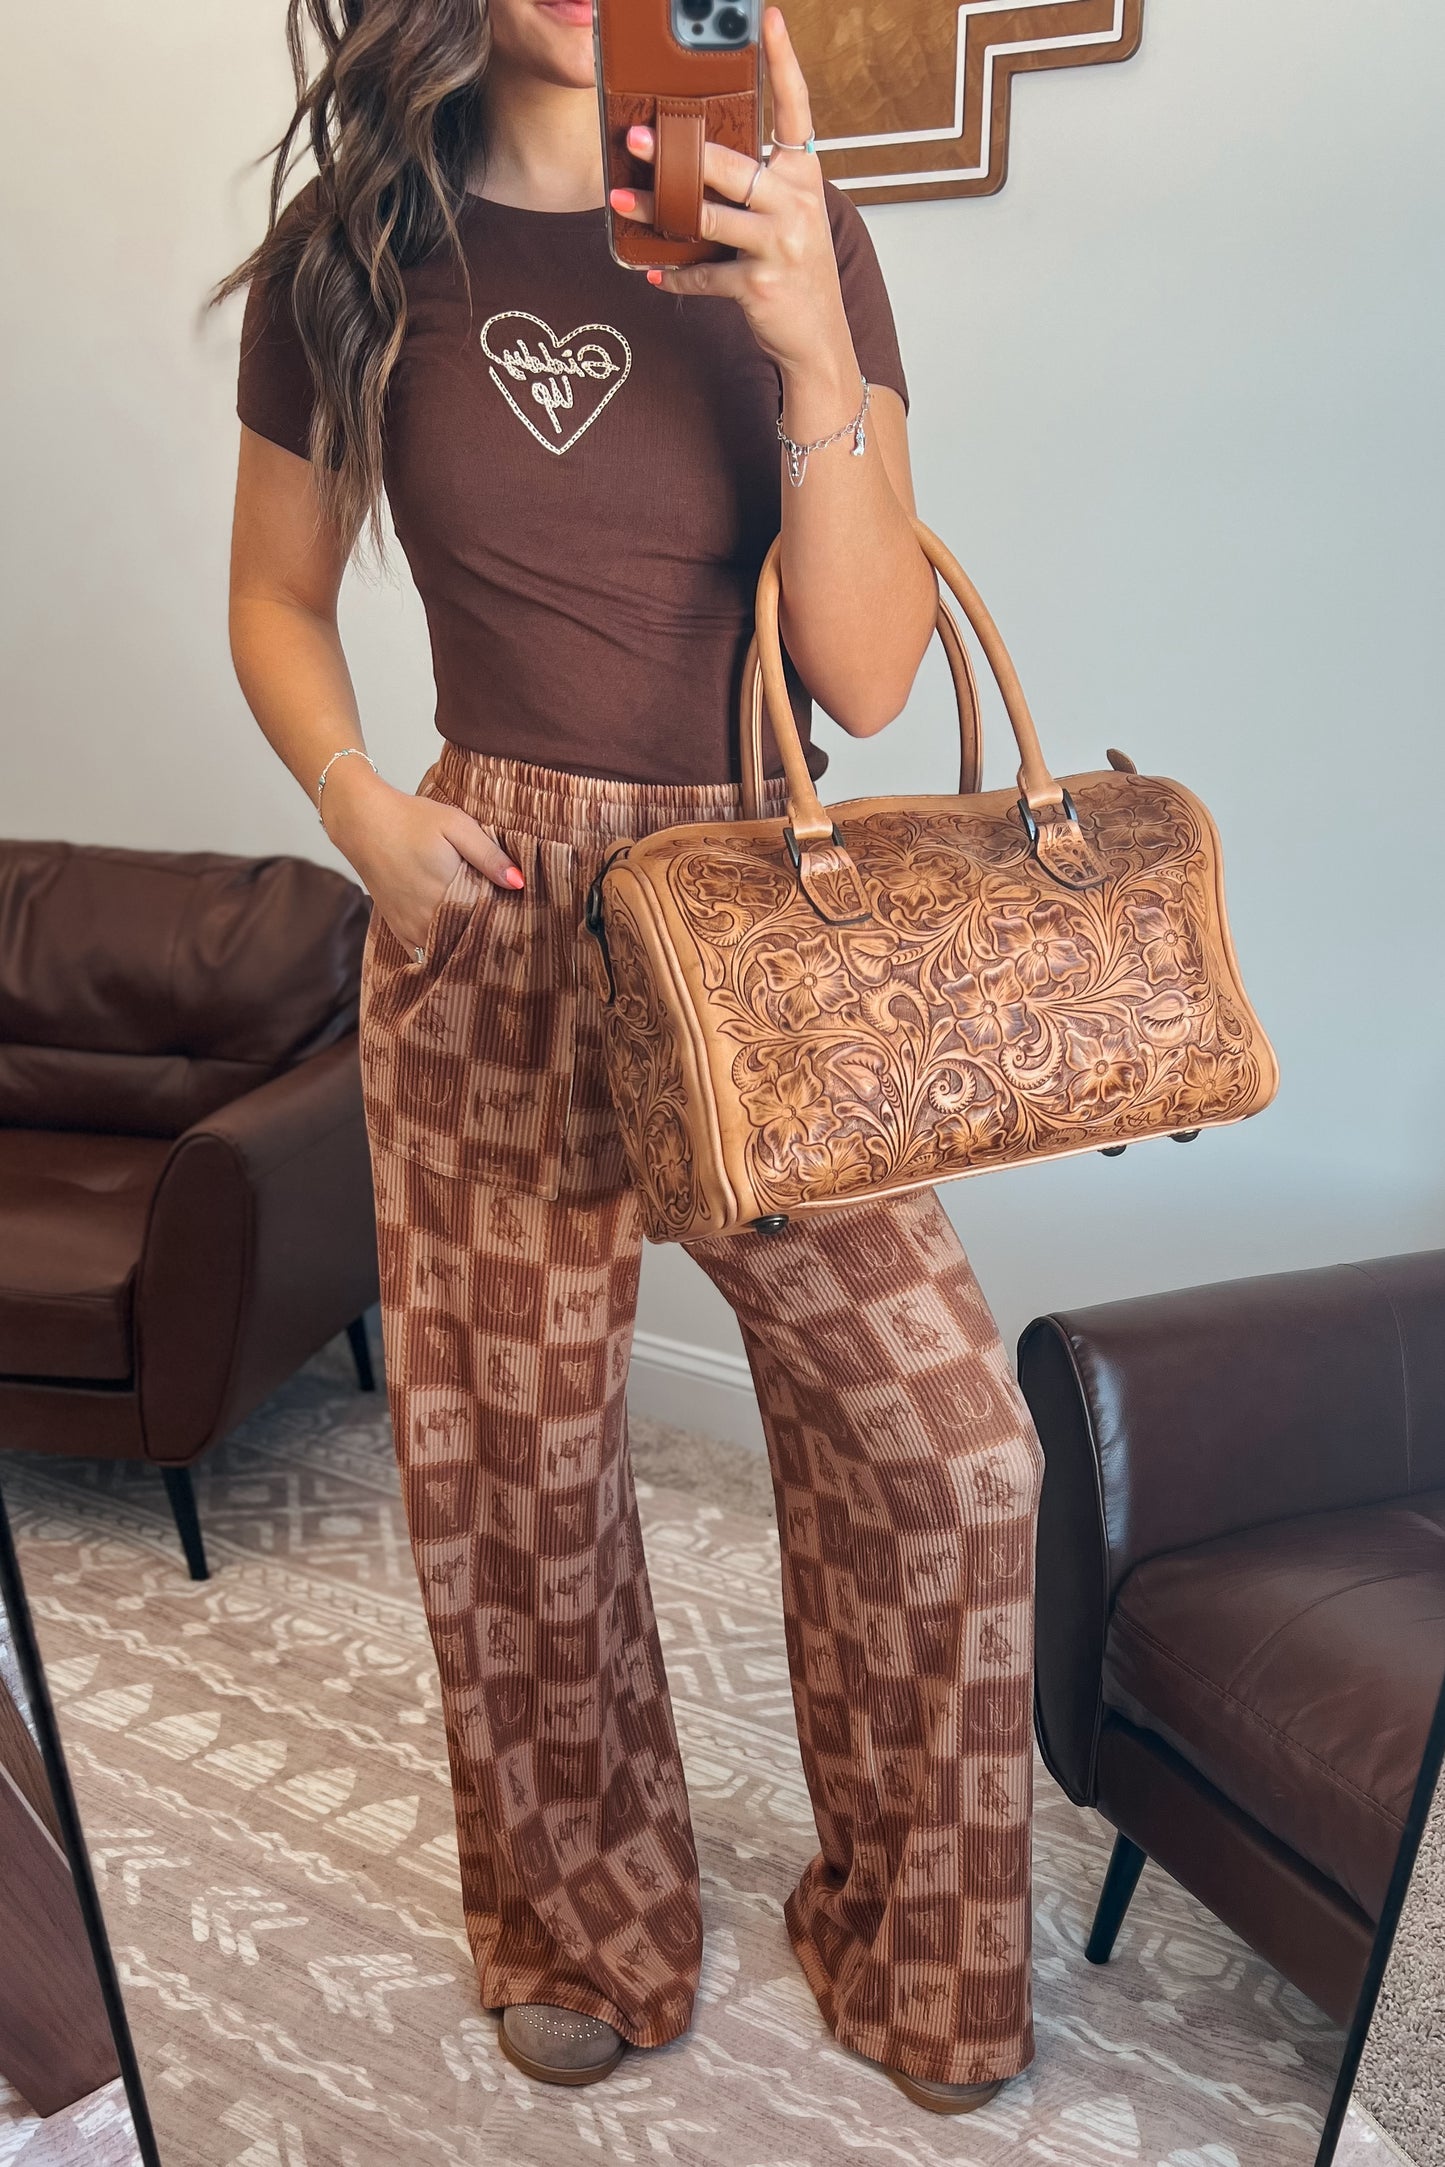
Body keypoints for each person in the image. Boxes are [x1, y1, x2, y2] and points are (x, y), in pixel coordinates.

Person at [224, 0, 1043, 2117]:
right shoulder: (356, 247)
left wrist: (806, 346)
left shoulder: (793, 223)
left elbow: (860, 672)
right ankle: (581, 1920)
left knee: (955, 1449)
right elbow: (276, 598)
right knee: (516, 1475)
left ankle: (910, 1934)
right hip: (486, 909)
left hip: (760, 921)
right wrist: (357, 806)